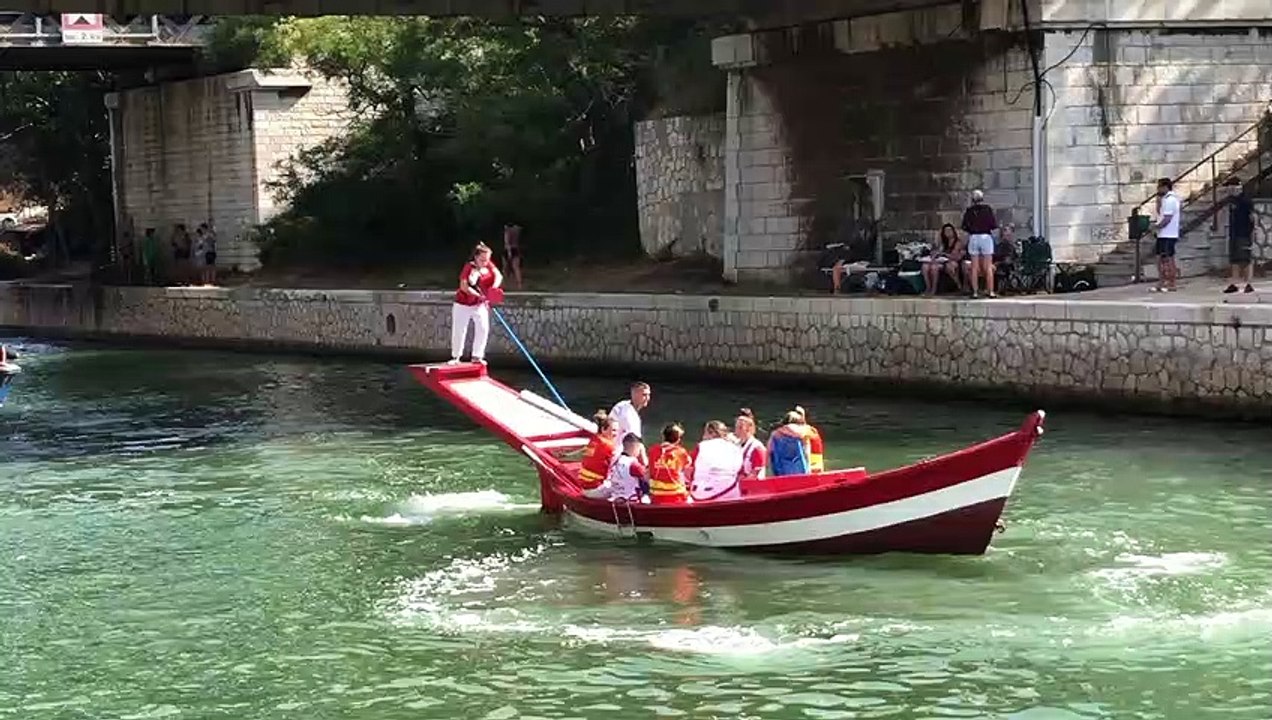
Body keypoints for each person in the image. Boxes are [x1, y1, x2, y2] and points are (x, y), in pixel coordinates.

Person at [449, 242, 503, 365]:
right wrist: (479, 295)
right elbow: (464, 286)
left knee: (483, 328)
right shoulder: (469, 267)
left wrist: (493, 289)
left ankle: (477, 356)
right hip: (463, 304)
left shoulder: (488, 264)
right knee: (460, 330)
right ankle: (456, 357)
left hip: (479, 305)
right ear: (476, 257)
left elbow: (498, 276)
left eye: (487, 259)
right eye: (482, 259)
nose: (485, 262)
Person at [688, 421, 745, 502]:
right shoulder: (735, 448)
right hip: (728, 491)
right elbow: (740, 471)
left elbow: (688, 469)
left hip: (698, 493)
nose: (703, 436)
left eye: (705, 432)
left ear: (711, 433)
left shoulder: (701, 446)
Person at [588, 433, 651, 503]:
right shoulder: (634, 465)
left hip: (616, 495)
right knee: (646, 482)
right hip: (630, 498)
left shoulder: (615, 460)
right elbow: (648, 478)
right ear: (635, 447)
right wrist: (644, 457)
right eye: (639, 449)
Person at [961, 189, 999, 299]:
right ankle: (991, 291)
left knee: (974, 266)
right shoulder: (987, 209)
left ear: (972, 199)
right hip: (986, 236)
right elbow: (993, 225)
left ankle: (975, 292)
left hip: (974, 237)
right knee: (988, 266)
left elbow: (965, 226)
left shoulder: (969, 211)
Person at [1223, 177, 1256, 295]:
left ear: (1237, 187)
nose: (1229, 189)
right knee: (1234, 260)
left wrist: (1251, 233)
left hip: (1244, 233)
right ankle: (1234, 284)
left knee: (1246, 259)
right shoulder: (1232, 201)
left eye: (1231, 187)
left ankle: (1249, 284)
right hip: (1234, 233)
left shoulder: (1245, 200)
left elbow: (1252, 218)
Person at [648, 423, 693, 504]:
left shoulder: (652, 450)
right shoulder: (680, 451)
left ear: (663, 436)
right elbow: (688, 464)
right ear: (678, 439)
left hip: (656, 497)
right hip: (677, 496)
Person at [577, 411, 620, 493]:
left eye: (617, 431)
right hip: (595, 489)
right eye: (613, 430)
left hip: (584, 486)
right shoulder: (608, 445)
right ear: (603, 429)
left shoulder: (593, 440)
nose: (616, 434)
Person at [1152, 177, 1181, 293]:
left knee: (1169, 258)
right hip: (1162, 234)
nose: (1158, 189)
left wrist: (1156, 227)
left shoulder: (1170, 200)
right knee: (1159, 258)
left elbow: (1167, 219)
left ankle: (1172, 283)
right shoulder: (1164, 200)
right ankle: (1162, 281)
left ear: (1165, 187)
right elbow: (1161, 214)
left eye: (1159, 187)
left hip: (1169, 234)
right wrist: (1158, 203)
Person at [922, 223, 964, 296]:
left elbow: (954, 256)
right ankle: (928, 287)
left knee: (934, 268)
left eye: (949, 231)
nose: (948, 233)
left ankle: (934, 289)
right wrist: (935, 254)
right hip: (941, 261)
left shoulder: (957, 242)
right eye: (946, 231)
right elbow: (939, 251)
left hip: (951, 261)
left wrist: (943, 254)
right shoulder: (943, 242)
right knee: (925, 266)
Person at [767, 411, 815, 476]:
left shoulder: (776, 434)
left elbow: (770, 451)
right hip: (800, 468)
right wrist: (809, 468)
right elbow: (806, 452)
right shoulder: (804, 432)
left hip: (781, 468)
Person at [733, 411, 767, 481]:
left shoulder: (757, 448)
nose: (736, 430)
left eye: (740, 427)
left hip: (752, 486)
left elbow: (756, 474)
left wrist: (740, 482)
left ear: (748, 429)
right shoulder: (736, 445)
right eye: (736, 427)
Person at [793, 405, 825, 473]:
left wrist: (807, 468)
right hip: (818, 463)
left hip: (811, 464)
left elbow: (806, 450)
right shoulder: (812, 429)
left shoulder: (803, 431)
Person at [503, 223, 523, 290]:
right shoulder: (517, 230)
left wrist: (509, 252)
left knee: (506, 268)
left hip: (509, 250)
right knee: (516, 268)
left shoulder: (507, 231)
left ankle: (504, 284)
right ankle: (519, 284)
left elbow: (507, 242)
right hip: (516, 249)